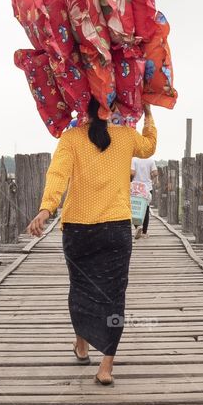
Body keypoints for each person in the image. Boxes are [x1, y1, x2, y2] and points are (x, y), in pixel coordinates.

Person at [26, 98, 157, 386]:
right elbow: (149, 147)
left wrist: (46, 209)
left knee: (81, 288)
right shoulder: (125, 136)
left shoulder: (70, 138)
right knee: (114, 295)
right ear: (110, 110)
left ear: (81, 109)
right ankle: (106, 367)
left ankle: (82, 344)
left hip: (78, 229)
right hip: (116, 228)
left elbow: (57, 175)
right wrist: (148, 114)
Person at [130, 155, 158, 239]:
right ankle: (145, 232)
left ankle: (137, 227)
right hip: (147, 188)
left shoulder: (134, 159)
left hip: (136, 187)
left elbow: (132, 173)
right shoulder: (150, 160)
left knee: (135, 208)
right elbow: (155, 173)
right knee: (146, 210)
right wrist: (151, 177)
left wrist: (130, 179)